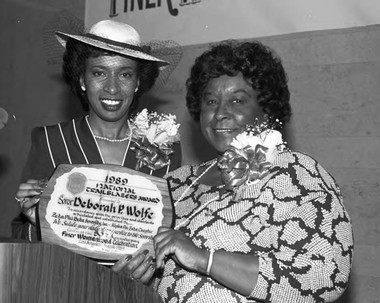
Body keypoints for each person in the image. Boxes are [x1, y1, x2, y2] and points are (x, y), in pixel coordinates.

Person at [112, 40, 353, 302]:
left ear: (266, 109)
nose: (220, 114)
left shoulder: (294, 173)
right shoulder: (177, 182)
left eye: (237, 100)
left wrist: (205, 260)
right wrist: (134, 279)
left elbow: (326, 275)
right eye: (211, 101)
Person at [11, 20, 182, 241]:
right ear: (82, 79)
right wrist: (37, 221)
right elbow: (25, 237)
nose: (112, 88)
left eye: (125, 75)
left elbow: (173, 233)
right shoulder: (51, 142)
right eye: (99, 73)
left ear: (138, 82)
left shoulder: (165, 147)